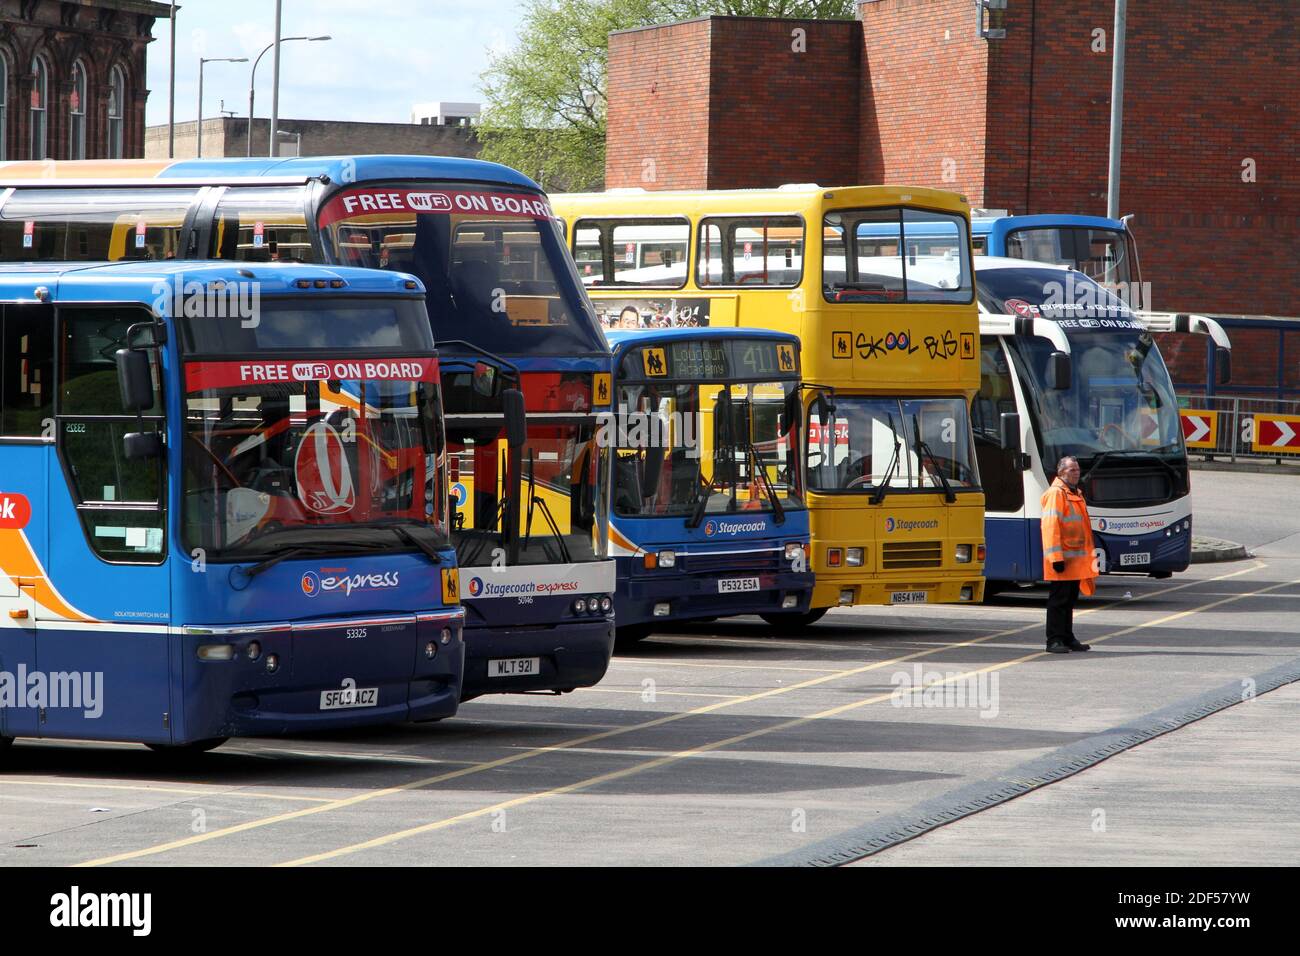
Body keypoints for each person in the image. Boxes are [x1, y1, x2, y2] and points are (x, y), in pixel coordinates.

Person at [1040, 455, 1097, 653]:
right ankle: (1054, 640)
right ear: (1061, 472)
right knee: (1059, 601)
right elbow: (1050, 527)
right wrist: (1056, 558)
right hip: (1062, 560)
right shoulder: (1057, 494)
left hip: (1075, 561)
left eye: (1078, 470)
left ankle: (1067, 637)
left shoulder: (1075, 493)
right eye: (1072, 470)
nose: (1077, 473)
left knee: (1069, 600)